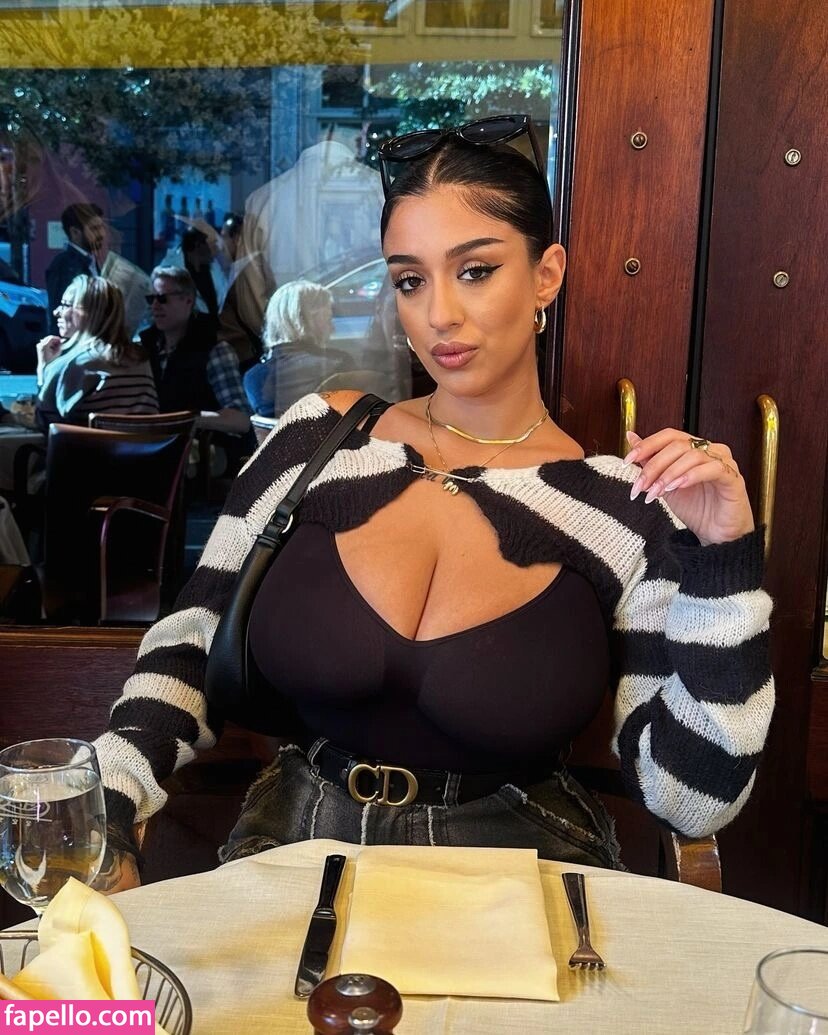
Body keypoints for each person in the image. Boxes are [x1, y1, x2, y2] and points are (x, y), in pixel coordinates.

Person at [93, 115, 774, 892]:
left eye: (475, 270)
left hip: (520, 879)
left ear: (546, 274)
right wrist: (104, 806)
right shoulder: (320, 438)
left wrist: (725, 561)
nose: (439, 313)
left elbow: (692, 799)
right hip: (292, 853)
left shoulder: (624, 508)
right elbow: (187, 645)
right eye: (410, 280)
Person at [139, 265, 251, 436]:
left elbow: (240, 419)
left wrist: (186, 420)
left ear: (188, 301)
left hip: (198, 447)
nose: (155, 305)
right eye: (151, 299)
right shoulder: (145, 349)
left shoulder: (214, 350)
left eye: (162, 298)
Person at [35, 275, 158, 429]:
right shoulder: (141, 360)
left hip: (89, 445)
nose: (56, 312)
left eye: (65, 305)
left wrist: (44, 369)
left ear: (88, 312)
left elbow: (44, 422)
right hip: (142, 444)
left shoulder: (74, 364)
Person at [243, 280, 335, 418]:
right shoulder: (334, 365)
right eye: (328, 318)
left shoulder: (253, 378)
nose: (332, 326)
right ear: (307, 319)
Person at [44, 204, 107, 332]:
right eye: (94, 229)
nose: (102, 234)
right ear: (75, 232)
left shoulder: (91, 260)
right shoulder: (64, 265)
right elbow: (60, 315)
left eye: (102, 227)